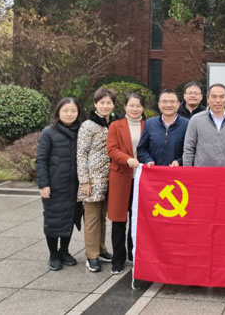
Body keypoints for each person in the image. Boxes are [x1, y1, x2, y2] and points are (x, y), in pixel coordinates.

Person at [36, 97, 83, 271]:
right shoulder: (48, 132)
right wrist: (43, 184)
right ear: (58, 112)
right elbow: (41, 160)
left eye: (73, 110)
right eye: (65, 110)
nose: (69, 114)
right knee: (53, 220)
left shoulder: (81, 131)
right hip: (54, 186)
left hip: (74, 186)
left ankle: (64, 251)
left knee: (70, 218)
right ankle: (53, 254)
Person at [77, 87, 117, 273]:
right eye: (102, 102)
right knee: (92, 218)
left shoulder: (114, 123)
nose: (105, 106)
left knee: (102, 216)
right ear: (95, 104)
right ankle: (91, 255)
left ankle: (101, 249)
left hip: (110, 178)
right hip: (93, 179)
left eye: (109, 103)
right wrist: (84, 181)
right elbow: (81, 154)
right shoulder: (88, 125)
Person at [106, 93, 145, 274]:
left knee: (137, 219)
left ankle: (133, 253)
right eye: (131, 105)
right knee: (119, 220)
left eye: (138, 106)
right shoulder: (116, 126)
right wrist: (127, 159)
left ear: (143, 108)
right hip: (121, 177)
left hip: (142, 179)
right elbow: (112, 149)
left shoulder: (148, 125)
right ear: (125, 107)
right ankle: (118, 258)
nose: (135, 109)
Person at [183, 83, 225, 167]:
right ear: (208, 99)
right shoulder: (196, 119)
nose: (218, 100)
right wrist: (188, 170)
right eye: (214, 97)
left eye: (221, 97)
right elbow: (189, 148)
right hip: (202, 172)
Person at [137, 89, 189, 166]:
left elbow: (191, 150)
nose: (168, 105)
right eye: (164, 102)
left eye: (172, 102)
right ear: (159, 104)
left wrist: (179, 161)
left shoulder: (187, 124)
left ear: (178, 104)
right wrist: (148, 160)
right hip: (155, 170)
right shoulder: (149, 124)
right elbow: (141, 149)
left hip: (177, 171)